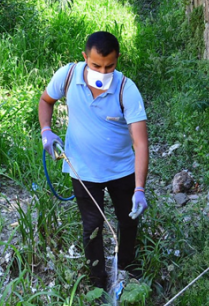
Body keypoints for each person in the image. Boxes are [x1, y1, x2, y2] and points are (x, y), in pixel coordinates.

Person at [38, 31, 149, 290]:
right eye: (96, 65)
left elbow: (140, 142)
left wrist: (140, 189)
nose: (102, 71)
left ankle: (127, 269)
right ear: (84, 57)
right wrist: (46, 130)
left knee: (128, 220)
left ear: (118, 59)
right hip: (83, 170)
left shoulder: (126, 89)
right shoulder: (67, 76)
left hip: (121, 169)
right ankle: (97, 281)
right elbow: (46, 101)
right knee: (93, 226)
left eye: (110, 66)